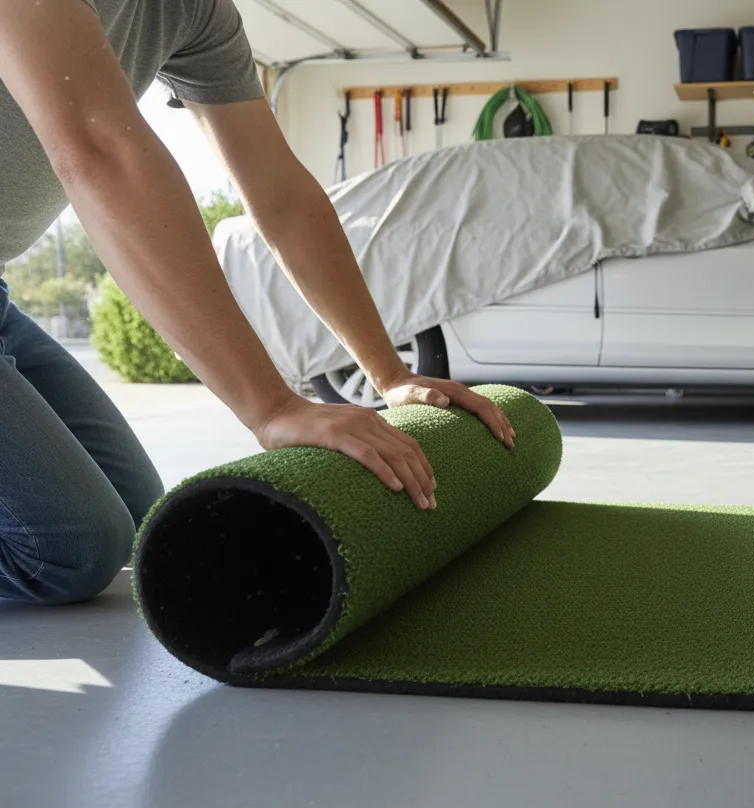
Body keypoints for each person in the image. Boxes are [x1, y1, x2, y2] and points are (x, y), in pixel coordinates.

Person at [0, 0, 515, 605]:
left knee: (137, 512)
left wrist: (390, 373)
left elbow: (281, 194)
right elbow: (96, 148)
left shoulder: (194, 13)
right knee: (69, 549)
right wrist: (271, 408)